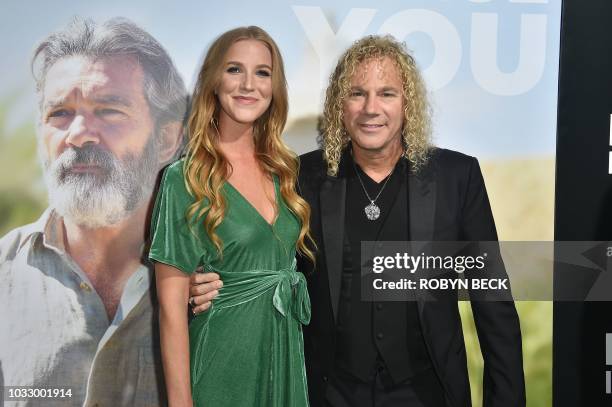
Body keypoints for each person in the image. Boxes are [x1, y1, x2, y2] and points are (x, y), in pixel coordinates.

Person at [191, 35, 525, 407]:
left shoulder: (456, 177)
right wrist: (205, 282)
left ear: (407, 104)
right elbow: (263, 265)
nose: (371, 108)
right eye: (356, 94)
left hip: (429, 393)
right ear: (339, 106)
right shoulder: (301, 178)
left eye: (387, 93)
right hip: (330, 394)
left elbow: (493, 301)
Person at [0, 17, 186, 406]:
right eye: (59, 114)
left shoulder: (216, 276)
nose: (79, 133)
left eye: (109, 111)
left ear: (166, 139)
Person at [148, 26, 314, 407]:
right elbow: (171, 312)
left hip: (284, 360)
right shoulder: (184, 179)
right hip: (222, 366)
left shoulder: (285, 171)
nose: (248, 84)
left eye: (262, 72)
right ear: (214, 80)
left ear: (275, 87)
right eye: (234, 69)